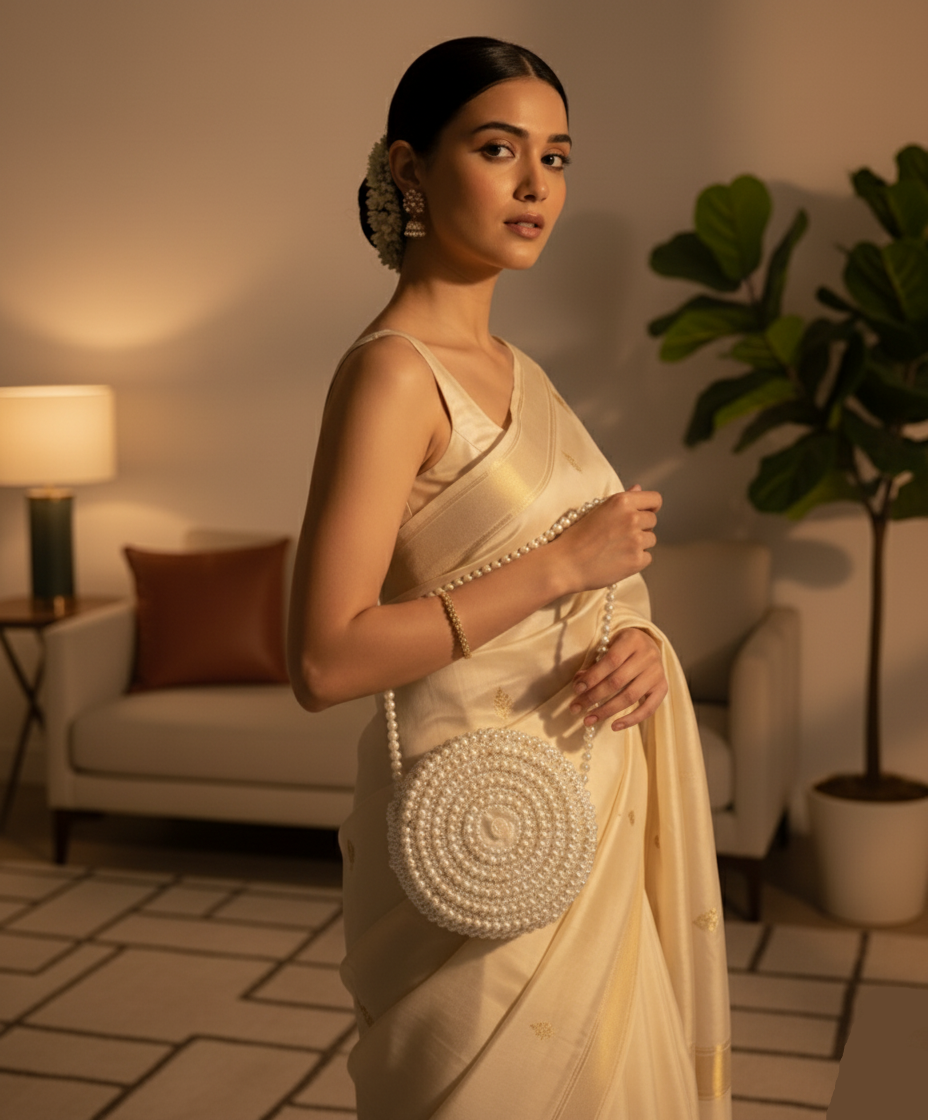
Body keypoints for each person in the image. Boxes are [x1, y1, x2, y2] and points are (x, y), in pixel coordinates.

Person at [288, 36, 731, 1120]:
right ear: (407, 170)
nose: (538, 185)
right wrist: (556, 566)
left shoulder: (522, 375)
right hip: (475, 825)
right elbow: (324, 655)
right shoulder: (394, 375)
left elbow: (597, 589)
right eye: (499, 149)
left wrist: (636, 643)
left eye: (559, 158)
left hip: (580, 804)